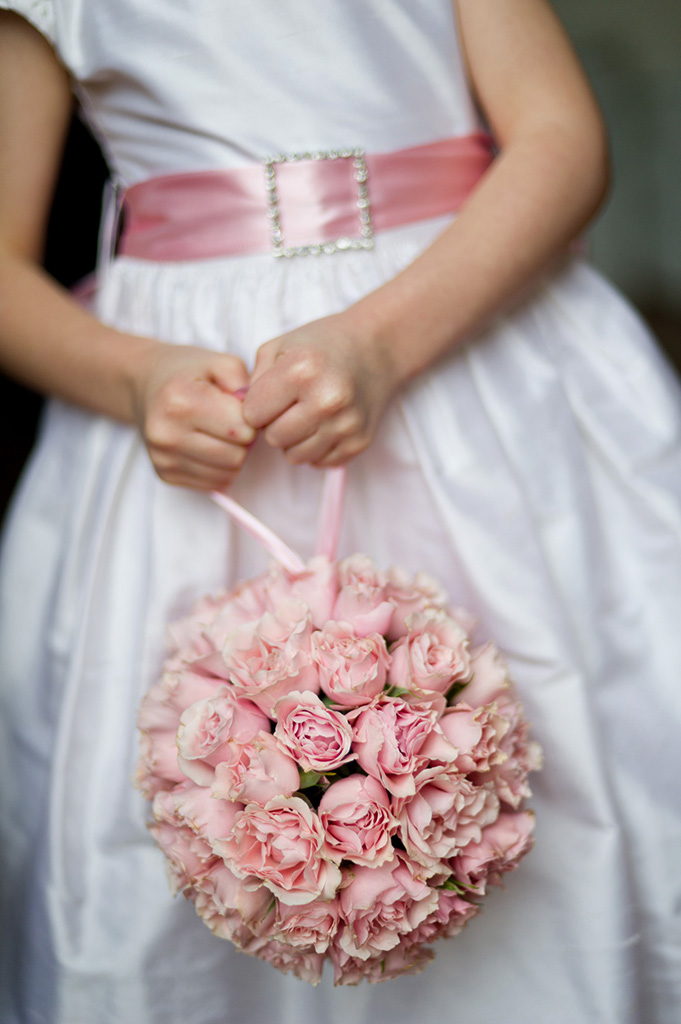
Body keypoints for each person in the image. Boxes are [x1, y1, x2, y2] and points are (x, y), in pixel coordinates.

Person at [0, 2, 679, 1022]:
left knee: (573, 740)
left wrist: (380, 345)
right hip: (195, 403)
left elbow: (562, 139)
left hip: (465, 341)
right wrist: (137, 381)